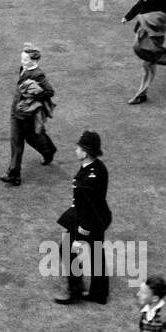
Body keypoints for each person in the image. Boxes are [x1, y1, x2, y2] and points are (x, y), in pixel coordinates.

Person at [54, 130, 112, 305]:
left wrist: (81, 235)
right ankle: (99, 293)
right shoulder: (96, 167)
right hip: (98, 217)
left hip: (89, 220)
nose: (76, 150)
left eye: (78, 148)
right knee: (96, 252)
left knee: (66, 248)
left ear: (86, 152)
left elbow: (89, 207)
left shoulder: (90, 177)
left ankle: (75, 290)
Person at [0, 43, 55, 186]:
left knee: (32, 139)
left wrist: (33, 96)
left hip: (27, 115)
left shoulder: (38, 74)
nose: (22, 62)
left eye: (25, 60)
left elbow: (49, 92)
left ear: (34, 61)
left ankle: (48, 151)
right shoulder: (23, 68)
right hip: (16, 112)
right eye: (21, 58)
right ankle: (14, 174)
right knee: (16, 142)